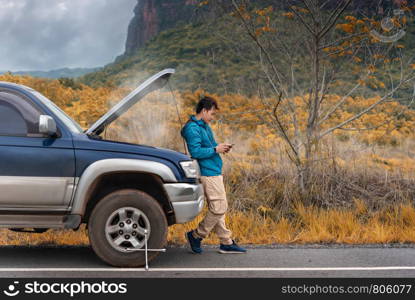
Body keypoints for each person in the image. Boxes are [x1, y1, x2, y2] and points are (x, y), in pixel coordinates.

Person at [181, 96, 247, 254]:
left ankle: (226, 242)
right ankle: (197, 235)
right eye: (212, 113)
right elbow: (195, 152)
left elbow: (209, 147)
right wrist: (215, 150)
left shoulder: (203, 125)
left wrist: (220, 147)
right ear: (203, 111)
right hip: (207, 172)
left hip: (213, 170)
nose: (213, 117)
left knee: (219, 208)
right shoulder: (193, 128)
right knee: (219, 207)